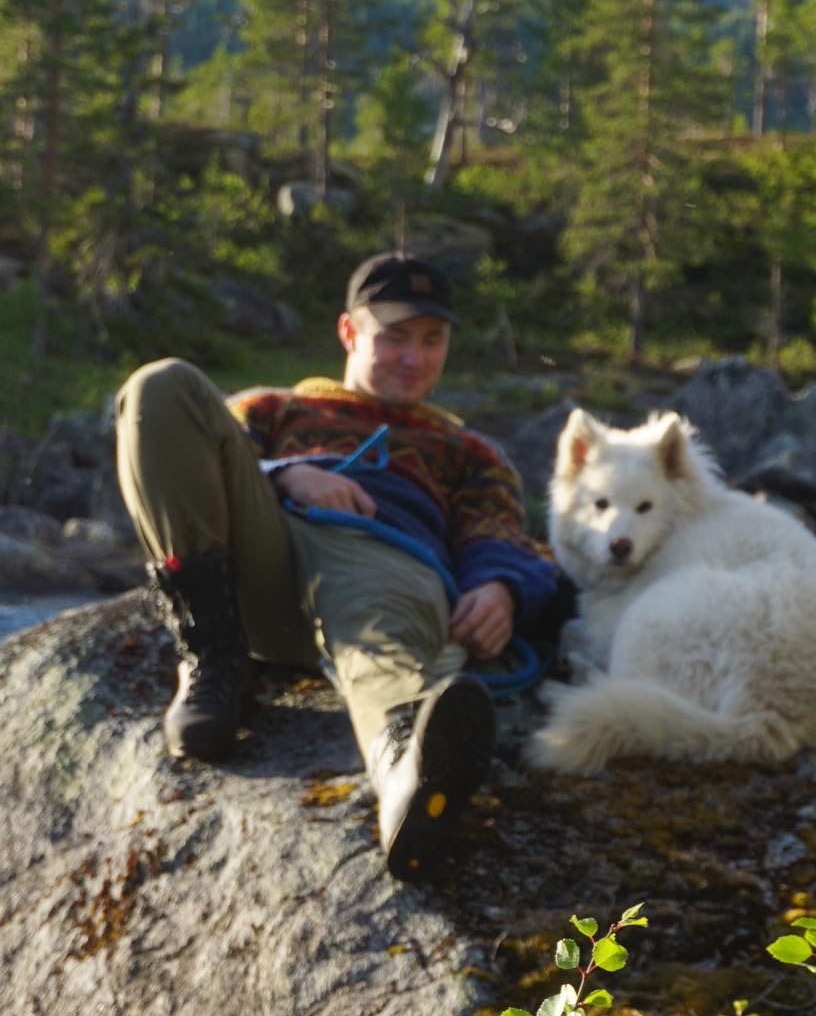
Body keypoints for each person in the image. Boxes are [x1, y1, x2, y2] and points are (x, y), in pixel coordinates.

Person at [114, 251, 561, 884]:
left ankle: (408, 781)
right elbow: (205, 467)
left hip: (378, 566)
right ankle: (213, 657)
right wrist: (287, 474)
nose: (413, 357)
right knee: (161, 386)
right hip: (260, 565)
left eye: (431, 341)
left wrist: (501, 587)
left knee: (384, 637)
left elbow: (497, 531)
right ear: (349, 333)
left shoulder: (471, 450)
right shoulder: (271, 408)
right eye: (395, 337)